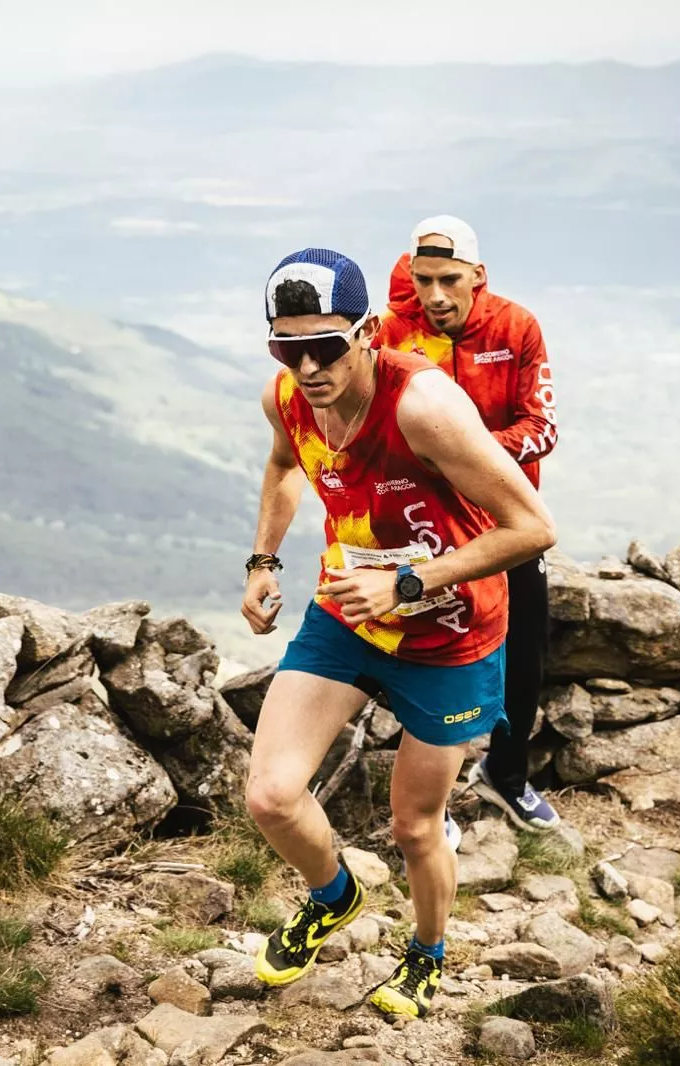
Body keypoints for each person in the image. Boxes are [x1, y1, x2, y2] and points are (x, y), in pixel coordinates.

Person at [239, 247, 556, 1019]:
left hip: (449, 634)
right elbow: (284, 466)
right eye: (289, 347)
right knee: (272, 796)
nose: (308, 366)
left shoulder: (425, 406)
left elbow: (533, 529)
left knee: (414, 825)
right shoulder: (287, 396)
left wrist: (409, 581)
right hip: (349, 613)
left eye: (326, 346)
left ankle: (427, 953)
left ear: (369, 331)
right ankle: (333, 896)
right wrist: (262, 559)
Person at [374, 215, 561, 834]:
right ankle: (435, 805)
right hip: (425, 527)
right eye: (423, 279)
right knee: (428, 656)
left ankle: (507, 777)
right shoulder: (394, 334)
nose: (436, 295)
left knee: (525, 653)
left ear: (477, 276)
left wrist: (466, 456)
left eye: (450, 280)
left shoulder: (516, 327)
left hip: (509, 522)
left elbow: (544, 428)